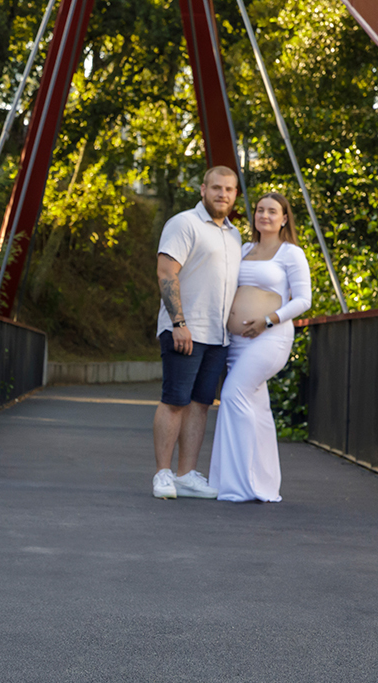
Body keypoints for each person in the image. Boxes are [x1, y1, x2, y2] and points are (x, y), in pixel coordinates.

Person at [209, 192, 312, 502]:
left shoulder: (291, 253)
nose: (264, 215)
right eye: (259, 210)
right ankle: (262, 485)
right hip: (238, 343)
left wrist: (267, 320)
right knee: (258, 409)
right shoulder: (243, 249)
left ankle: (240, 485)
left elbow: (303, 300)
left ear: (284, 219)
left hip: (270, 338)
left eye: (272, 211)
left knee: (232, 395)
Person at [152, 166, 243, 499]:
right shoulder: (184, 223)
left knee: (201, 404)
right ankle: (162, 474)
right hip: (185, 330)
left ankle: (186, 475)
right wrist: (179, 323)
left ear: (235, 195)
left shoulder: (234, 235)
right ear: (203, 189)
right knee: (174, 401)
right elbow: (166, 272)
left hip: (218, 337)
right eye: (216, 188)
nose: (222, 194)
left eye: (229, 190)